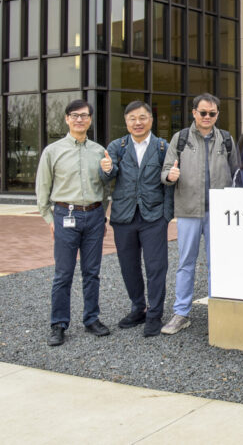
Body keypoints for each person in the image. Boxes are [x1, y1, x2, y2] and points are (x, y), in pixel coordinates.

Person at [159, 93, 236, 336]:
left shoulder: (226, 139)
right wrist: (169, 177)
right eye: (203, 113)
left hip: (218, 212)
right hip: (188, 211)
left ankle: (217, 309)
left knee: (219, 263)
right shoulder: (180, 138)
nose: (207, 117)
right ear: (194, 112)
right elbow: (165, 170)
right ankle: (181, 313)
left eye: (212, 113)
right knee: (186, 263)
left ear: (217, 114)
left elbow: (237, 173)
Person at [36, 99, 110, 347]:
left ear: (90, 119)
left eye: (84, 115)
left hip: (95, 216)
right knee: (63, 273)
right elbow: (42, 190)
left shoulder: (100, 152)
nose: (80, 119)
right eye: (74, 115)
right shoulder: (53, 151)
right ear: (67, 119)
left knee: (92, 272)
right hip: (65, 216)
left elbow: (106, 186)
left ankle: (91, 319)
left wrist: (103, 212)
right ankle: (58, 324)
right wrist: (49, 219)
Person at [99, 101, 173, 337]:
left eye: (142, 117)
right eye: (132, 118)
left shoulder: (163, 147)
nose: (138, 122)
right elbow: (106, 176)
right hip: (124, 216)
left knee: (156, 267)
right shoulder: (117, 146)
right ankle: (138, 307)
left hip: (154, 217)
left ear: (151, 119)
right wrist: (107, 169)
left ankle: (154, 314)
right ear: (126, 122)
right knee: (128, 266)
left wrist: (167, 216)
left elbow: (170, 183)